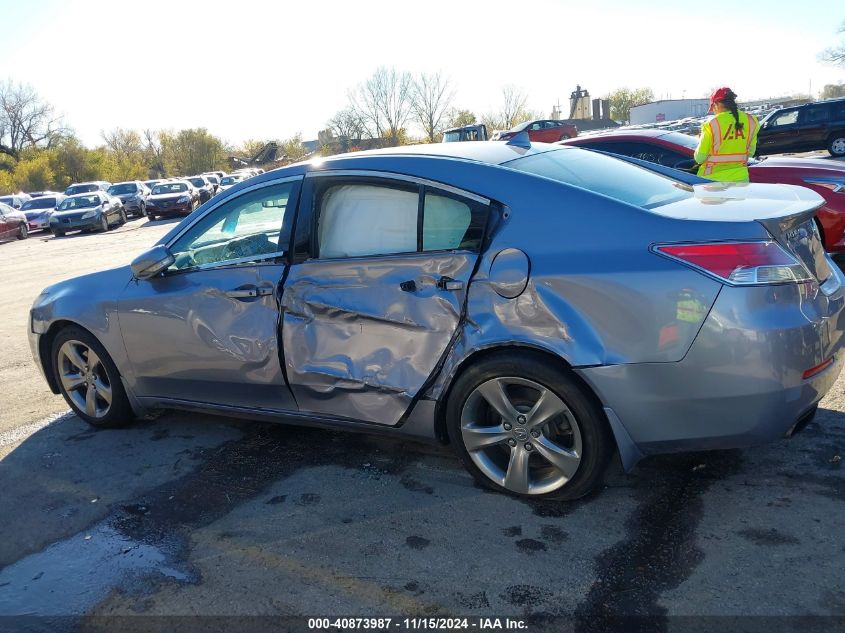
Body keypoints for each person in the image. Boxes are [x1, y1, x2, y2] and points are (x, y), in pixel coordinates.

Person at [693, 87, 759, 182]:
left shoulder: (711, 124)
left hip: (713, 181)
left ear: (717, 104)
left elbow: (699, 158)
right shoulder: (752, 121)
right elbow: (751, 152)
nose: (714, 111)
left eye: (713, 107)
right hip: (741, 179)